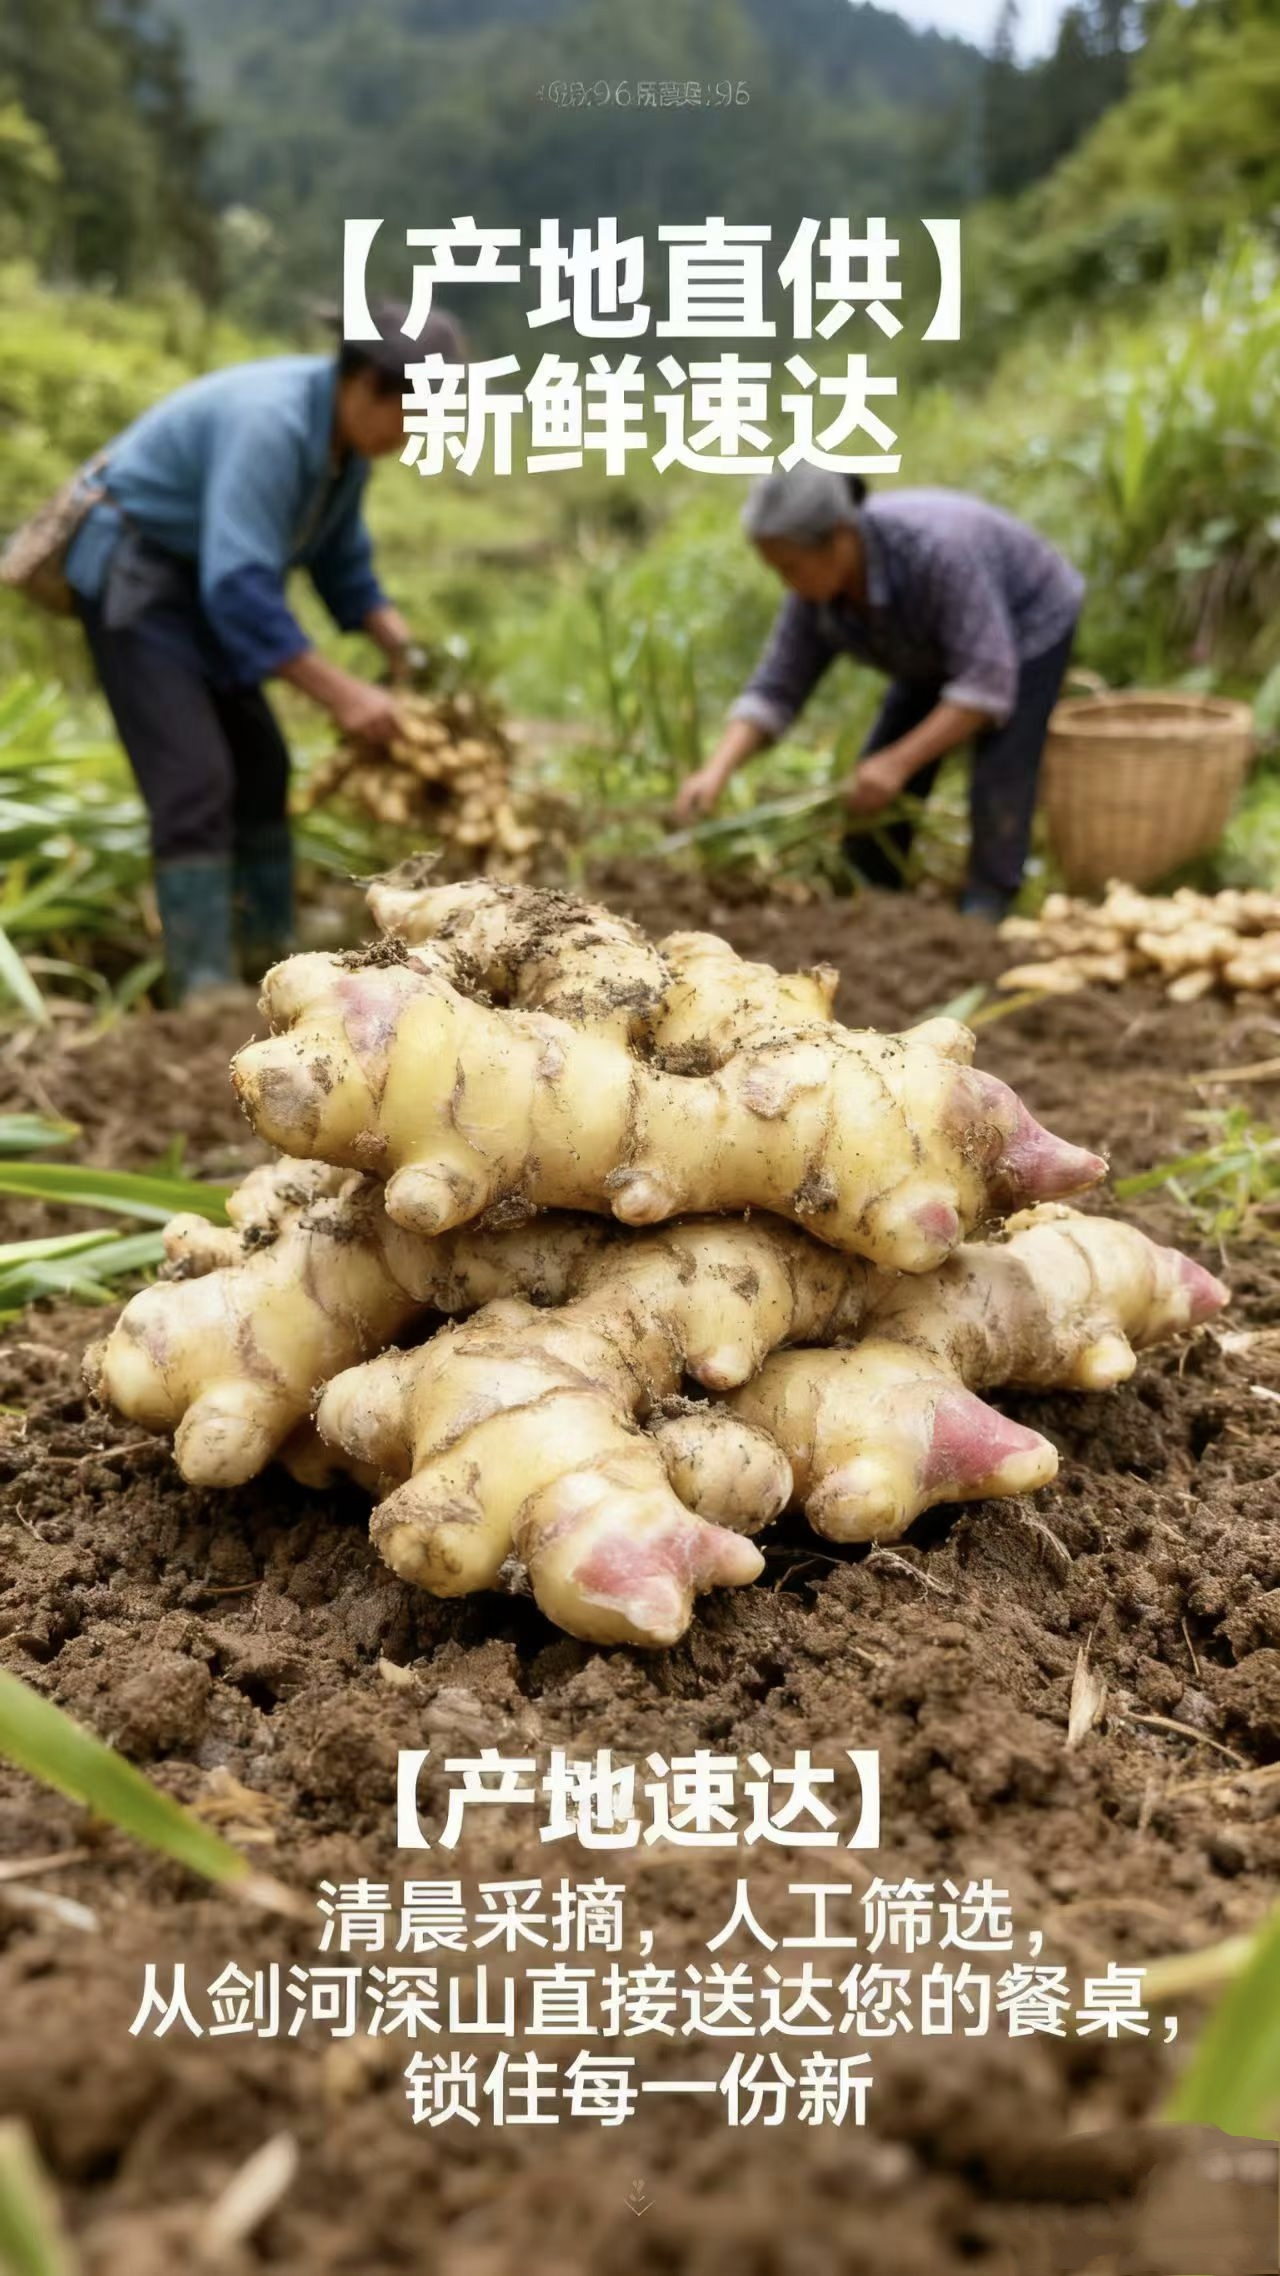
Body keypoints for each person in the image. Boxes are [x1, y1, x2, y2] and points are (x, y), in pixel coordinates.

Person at [63, 302, 464, 1000]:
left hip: (202, 585)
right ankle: (204, 982)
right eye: (415, 413)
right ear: (369, 387)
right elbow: (242, 589)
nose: (416, 433)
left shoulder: (344, 452)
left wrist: (397, 641)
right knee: (194, 775)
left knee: (262, 764)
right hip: (142, 577)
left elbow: (343, 565)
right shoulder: (271, 425)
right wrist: (346, 695)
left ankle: (268, 948)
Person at [676, 468, 1085, 920]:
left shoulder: (936, 554)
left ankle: (987, 907)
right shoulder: (814, 596)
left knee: (998, 775)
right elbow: (776, 688)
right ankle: (875, 905)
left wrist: (899, 762)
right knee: (873, 789)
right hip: (931, 650)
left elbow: (985, 686)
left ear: (841, 538)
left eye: (790, 566)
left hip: (1026, 628)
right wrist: (716, 770)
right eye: (775, 569)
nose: (785, 582)